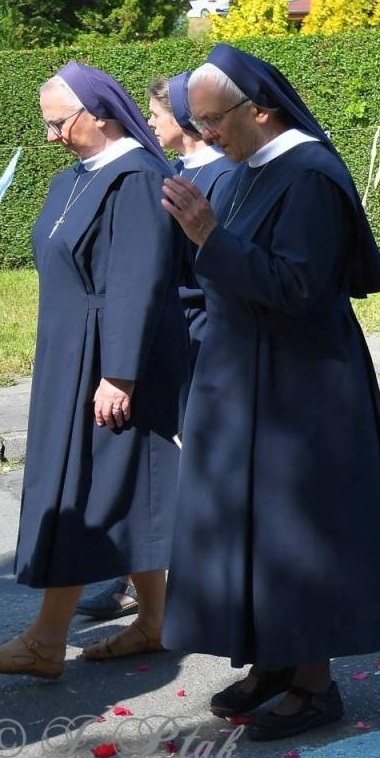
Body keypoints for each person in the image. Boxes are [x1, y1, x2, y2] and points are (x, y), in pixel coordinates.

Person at [159, 44, 380, 740]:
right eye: (197, 122)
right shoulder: (244, 170)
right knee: (253, 533)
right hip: (244, 380)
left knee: (294, 535)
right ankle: (274, 659)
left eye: (214, 120)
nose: (206, 135)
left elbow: (298, 288)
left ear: (261, 109)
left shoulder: (310, 174)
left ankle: (315, 684)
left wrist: (209, 235)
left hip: (299, 387)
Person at [0, 64, 184, 680]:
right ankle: (156, 619)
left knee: (80, 491)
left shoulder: (138, 178)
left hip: (109, 360)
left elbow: (140, 279)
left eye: (58, 123)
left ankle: (46, 640)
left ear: (99, 114)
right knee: (119, 488)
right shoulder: (73, 177)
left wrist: (119, 372)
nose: (50, 136)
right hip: (71, 353)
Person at [76, 71, 239, 625]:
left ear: (187, 119)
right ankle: (139, 578)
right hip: (170, 325)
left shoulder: (222, 174)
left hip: (203, 329)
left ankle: (208, 575)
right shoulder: (173, 170)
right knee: (157, 455)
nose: (149, 123)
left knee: (197, 455)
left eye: (158, 114)